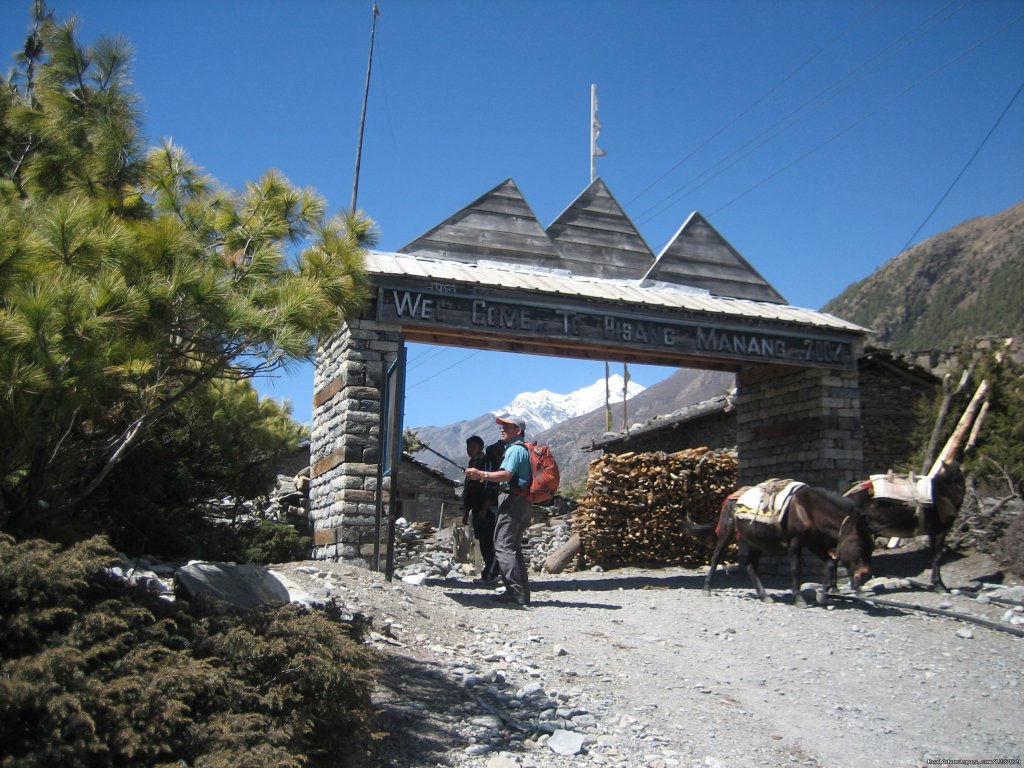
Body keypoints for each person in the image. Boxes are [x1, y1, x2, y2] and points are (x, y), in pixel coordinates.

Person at [464, 415, 532, 607]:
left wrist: (481, 474)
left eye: (507, 427)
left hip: (512, 501)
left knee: (502, 546)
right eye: (501, 426)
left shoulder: (514, 450)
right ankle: (521, 594)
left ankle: (514, 592)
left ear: (518, 431)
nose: (502, 429)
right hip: (523, 502)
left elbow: (506, 475)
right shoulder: (523, 449)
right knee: (514, 548)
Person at [461, 435, 498, 585]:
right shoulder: (472, 463)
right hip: (476, 509)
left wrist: (484, 508)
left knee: (489, 541)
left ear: (481, 448)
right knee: (482, 541)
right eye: (468, 447)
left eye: (473, 447)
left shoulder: (486, 463)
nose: (470, 450)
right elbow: (469, 490)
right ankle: (489, 572)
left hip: (487, 510)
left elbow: (491, 486)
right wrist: (466, 511)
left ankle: (491, 574)